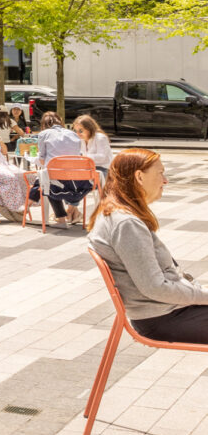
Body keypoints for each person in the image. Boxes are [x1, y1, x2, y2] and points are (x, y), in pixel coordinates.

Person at [87, 149, 208, 342]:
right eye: (160, 173)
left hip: (168, 311)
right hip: (164, 318)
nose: (165, 180)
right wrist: (203, 295)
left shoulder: (118, 215)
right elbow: (155, 288)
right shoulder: (126, 224)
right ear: (139, 177)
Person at [34, 111, 91, 225]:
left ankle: (60, 218)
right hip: (77, 179)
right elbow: (78, 155)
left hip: (56, 177)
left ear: (44, 124)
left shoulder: (44, 134)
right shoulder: (73, 134)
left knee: (46, 180)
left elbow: (42, 159)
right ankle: (71, 212)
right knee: (49, 179)